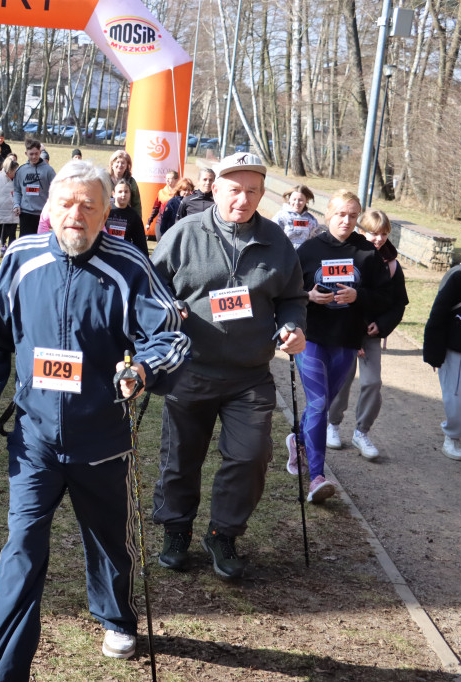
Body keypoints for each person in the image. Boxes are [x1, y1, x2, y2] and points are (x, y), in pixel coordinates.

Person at [0, 159, 190, 679]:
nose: (76, 214)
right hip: (34, 439)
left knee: (108, 538)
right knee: (21, 550)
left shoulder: (129, 264)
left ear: (107, 210)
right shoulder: (20, 258)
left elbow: (172, 336)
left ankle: (115, 616)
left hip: (102, 438)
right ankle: (4, 672)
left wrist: (143, 369)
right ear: (48, 206)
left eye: (89, 205)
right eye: (66, 203)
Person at [150, 152, 308, 579]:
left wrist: (292, 326)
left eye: (253, 191)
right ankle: (176, 529)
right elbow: (151, 287)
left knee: (251, 455)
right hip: (190, 370)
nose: (243, 199)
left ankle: (223, 533)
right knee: (181, 458)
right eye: (235, 189)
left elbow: (292, 296)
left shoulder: (277, 241)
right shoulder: (183, 234)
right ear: (215, 188)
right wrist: (169, 311)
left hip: (249, 375)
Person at [292, 190, 392, 500]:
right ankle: (317, 477)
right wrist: (308, 295)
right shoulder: (308, 250)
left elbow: (385, 299)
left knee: (319, 407)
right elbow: (286, 292)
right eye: (340, 214)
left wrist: (358, 296)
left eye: (352, 215)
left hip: (347, 341)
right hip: (311, 338)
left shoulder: (368, 254)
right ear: (327, 216)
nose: (346, 220)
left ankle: (297, 439)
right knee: (320, 405)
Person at [327, 208, 408, 460]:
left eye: (383, 233)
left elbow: (397, 303)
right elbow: (338, 295)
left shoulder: (392, 265)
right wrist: (354, 331)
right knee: (342, 380)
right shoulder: (349, 256)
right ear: (361, 231)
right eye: (373, 233)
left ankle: (361, 432)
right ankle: (333, 424)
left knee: (373, 382)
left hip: (372, 333)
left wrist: (382, 326)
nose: (379, 238)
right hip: (346, 330)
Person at [423, 247, 461, 461]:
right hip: (457, 345)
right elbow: (438, 314)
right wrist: (434, 353)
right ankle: (452, 437)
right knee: (459, 396)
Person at [13, 139, 56, 237]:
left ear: (40, 152)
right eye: (31, 154)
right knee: (26, 244)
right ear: (26, 153)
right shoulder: (21, 170)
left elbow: (56, 191)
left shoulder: (49, 170)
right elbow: (17, 190)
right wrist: (16, 204)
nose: (34, 157)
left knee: (41, 244)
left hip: (42, 215)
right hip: (25, 214)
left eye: (36, 154)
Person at [105, 178, 147, 256]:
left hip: (123, 256)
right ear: (113, 194)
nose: (123, 195)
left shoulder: (134, 216)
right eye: (120, 192)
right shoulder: (105, 212)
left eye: (126, 192)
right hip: (105, 253)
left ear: (130, 194)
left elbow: (141, 244)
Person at [0, 157, 19, 265]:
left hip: (13, 211)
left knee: (12, 235)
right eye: (14, 171)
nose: (16, 173)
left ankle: (10, 256)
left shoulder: (17, 179)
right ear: (9, 170)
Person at [273, 184, 321, 249]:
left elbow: (316, 240)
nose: (297, 203)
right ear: (289, 199)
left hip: (305, 256)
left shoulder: (312, 220)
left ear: (306, 200)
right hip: (285, 255)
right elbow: (273, 237)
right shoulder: (280, 217)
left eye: (300, 200)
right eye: (294, 199)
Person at [107, 149, 141, 220]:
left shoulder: (131, 182)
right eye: (117, 162)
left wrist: (138, 221)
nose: (120, 165)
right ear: (112, 164)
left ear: (127, 166)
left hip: (124, 218)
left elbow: (136, 204)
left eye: (123, 163)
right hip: (106, 217)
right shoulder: (104, 179)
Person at [147, 169, 179, 237]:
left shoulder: (180, 193)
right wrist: (149, 222)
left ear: (176, 180)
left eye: (170, 178)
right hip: (161, 221)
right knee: (160, 242)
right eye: (166, 178)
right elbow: (155, 208)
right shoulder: (161, 192)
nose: (167, 180)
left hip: (174, 223)